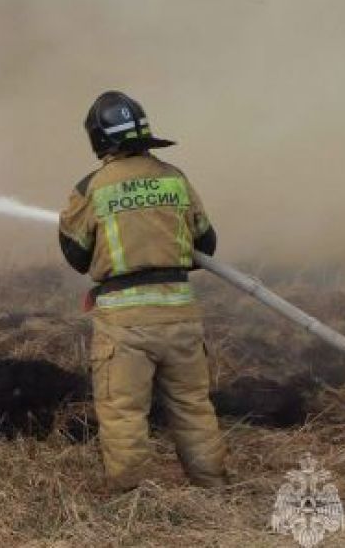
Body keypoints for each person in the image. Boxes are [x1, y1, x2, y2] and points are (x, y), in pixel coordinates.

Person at [58, 91, 228, 491]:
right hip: (180, 316)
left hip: (125, 325)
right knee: (193, 407)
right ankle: (214, 488)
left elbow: (77, 255)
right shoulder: (174, 179)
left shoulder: (92, 187)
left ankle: (130, 501)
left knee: (123, 413)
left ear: (99, 138)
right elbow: (207, 244)